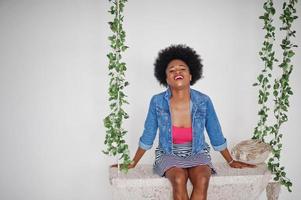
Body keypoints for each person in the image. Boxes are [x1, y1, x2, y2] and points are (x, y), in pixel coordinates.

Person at [114, 44, 256, 200]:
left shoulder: (204, 101)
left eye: (182, 69)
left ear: (190, 75)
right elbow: (148, 135)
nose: (177, 72)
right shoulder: (157, 102)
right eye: (172, 70)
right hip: (169, 154)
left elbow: (215, 133)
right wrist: (133, 162)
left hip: (197, 152)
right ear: (166, 78)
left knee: (202, 178)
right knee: (179, 178)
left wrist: (230, 160)